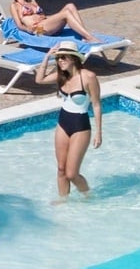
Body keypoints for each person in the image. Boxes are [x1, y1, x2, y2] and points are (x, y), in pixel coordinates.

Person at [37, 43, 102, 196]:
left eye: (63, 57)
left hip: (80, 125)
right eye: (58, 58)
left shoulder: (88, 77)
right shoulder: (62, 75)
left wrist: (99, 133)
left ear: (73, 58)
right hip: (63, 122)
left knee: (72, 173)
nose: (60, 61)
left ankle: (88, 195)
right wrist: (47, 57)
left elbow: (97, 105)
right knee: (61, 169)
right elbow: (39, 80)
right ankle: (63, 202)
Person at [8, 0, 100, 40]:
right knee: (66, 13)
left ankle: (84, 34)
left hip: (47, 25)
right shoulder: (15, 6)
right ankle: (89, 37)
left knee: (70, 6)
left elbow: (43, 15)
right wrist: (28, 29)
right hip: (39, 30)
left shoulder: (32, 2)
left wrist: (42, 16)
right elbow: (19, 25)